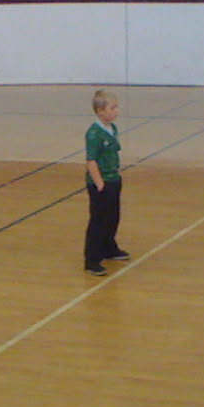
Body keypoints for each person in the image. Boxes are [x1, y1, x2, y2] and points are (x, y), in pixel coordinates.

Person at [83, 89, 128, 276]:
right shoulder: (94, 134)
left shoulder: (112, 129)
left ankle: (109, 247)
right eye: (112, 108)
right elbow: (91, 160)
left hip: (114, 178)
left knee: (113, 217)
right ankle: (92, 259)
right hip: (102, 183)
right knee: (99, 220)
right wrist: (99, 183)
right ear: (100, 111)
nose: (116, 111)